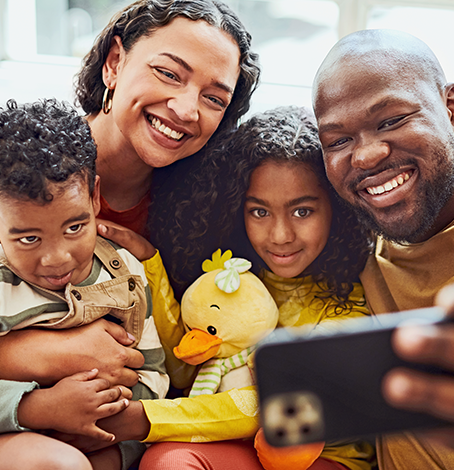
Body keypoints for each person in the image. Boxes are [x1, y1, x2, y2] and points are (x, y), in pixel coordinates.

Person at [0, 0, 260, 415]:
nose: (186, 109)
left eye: (214, 98)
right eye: (169, 73)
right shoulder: (12, 174)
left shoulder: (210, 211)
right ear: (115, 63)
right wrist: (48, 352)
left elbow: (181, 365)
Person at [80, 107, 375, 470]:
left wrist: (144, 418)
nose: (280, 236)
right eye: (259, 212)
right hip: (236, 446)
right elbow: (186, 364)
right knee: (169, 461)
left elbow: (273, 410)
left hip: (321, 457)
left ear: (337, 207)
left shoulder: (348, 304)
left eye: (302, 212)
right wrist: (150, 263)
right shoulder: (233, 276)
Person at [312, 28, 454, 469]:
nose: (365, 157)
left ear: (451, 109)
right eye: (338, 141)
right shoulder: (351, 236)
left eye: (391, 120)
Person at [0, 98, 170, 470]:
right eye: (28, 239)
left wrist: (108, 423)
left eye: (74, 227)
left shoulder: (124, 273)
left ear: (94, 196)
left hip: (104, 436)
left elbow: (154, 372)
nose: (58, 258)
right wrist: (39, 408)